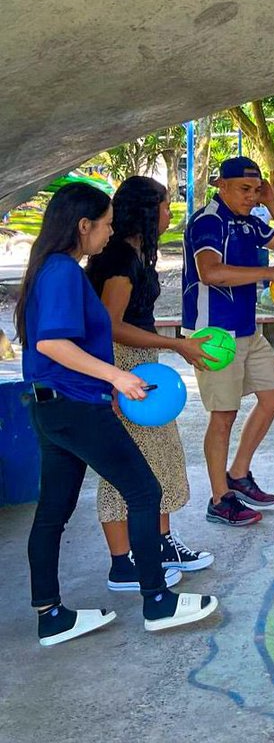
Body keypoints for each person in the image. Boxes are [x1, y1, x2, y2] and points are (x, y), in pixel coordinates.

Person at [16, 183, 217, 646]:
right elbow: (52, 343)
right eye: (104, 224)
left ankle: (51, 616)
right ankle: (158, 602)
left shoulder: (47, 267)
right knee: (144, 491)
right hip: (72, 406)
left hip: (53, 406)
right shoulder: (63, 270)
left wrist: (99, 383)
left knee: (53, 513)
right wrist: (116, 377)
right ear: (82, 226)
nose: (109, 232)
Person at [86, 177, 215, 589]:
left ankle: (160, 543)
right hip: (121, 366)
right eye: (163, 205)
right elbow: (111, 326)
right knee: (124, 466)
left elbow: (134, 318)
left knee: (161, 460)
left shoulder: (138, 253)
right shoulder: (120, 258)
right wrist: (175, 344)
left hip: (141, 363)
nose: (168, 212)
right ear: (145, 209)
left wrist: (169, 341)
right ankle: (122, 564)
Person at [182, 156, 274, 526]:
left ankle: (239, 474)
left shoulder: (250, 220)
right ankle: (219, 499)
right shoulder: (209, 220)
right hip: (214, 332)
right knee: (223, 416)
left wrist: (272, 202)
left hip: (247, 330)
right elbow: (210, 272)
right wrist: (269, 272)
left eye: (255, 190)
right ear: (221, 184)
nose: (250, 196)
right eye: (244, 189)